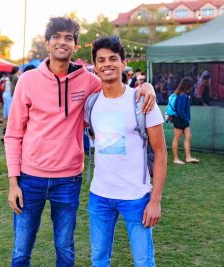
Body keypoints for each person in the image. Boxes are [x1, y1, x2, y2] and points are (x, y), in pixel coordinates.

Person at [4, 17, 156, 267]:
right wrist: (13, 182)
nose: (62, 42)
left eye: (68, 38)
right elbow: (13, 135)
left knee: (65, 249)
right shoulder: (28, 81)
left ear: (75, 46)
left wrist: (147, 86)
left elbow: (115, 89)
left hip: (68, 180)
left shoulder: (88, 80)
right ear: (47, 43)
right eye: (56, 37)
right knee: (21, 251)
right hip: (29, 178)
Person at [85, 36, 167, 267]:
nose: (107, 64)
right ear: (94, 66)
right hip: (99, 196)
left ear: (123, 63)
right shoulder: (91, 103)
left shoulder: (142, 101)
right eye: (101, 60)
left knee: (143, 261)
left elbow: (160, 153)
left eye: (113, 58)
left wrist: (155, 200)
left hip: (136, 197)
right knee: (99, 259)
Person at [168, 77, 200, 164]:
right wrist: (185, 120)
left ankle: (188, 157)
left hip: (183, 120)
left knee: (188, 136)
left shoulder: (183, 95)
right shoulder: (183, 96)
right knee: (177, 138)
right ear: (188, 86)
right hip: (179, 120)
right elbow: (180, 110)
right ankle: (175, 159)